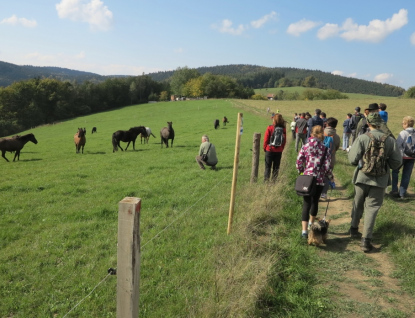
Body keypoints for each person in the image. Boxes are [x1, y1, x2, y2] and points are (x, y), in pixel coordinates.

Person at [348, 113, 402, 252]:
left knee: (357, 203)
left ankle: (354, 229)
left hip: (362, 177)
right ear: (380, 123)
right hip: (380, 180)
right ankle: (366, 241)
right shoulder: (389, 140)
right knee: (372, 209)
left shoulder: (363, 138)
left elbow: (352, 159)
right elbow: (397, 162)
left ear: (368, 123)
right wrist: (385, 163)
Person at [296, 125, 334, 239]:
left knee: (306, 204)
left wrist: (303, 171)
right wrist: (330, 178)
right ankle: (311, 226)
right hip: (319, 180)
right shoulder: (325, 149)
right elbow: (327, 167)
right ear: (322, 134)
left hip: (307, 179)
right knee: (315, 202)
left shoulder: (305, 146)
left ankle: (304, 232)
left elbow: (298, 162)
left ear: (311, 134)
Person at [391, 116, 415, 199]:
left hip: (402, 156)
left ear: (406, 124)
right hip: (412, 157)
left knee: (395, 171)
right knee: (406, 175)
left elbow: (398, 145)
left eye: (403, 123)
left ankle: (394, 190)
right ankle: (402, 193)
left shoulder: (403, 133)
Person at [321, 117, 340, 199]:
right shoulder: (337, 136)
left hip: (320, 157)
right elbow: (337, 147)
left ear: (327, 124)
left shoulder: (321, 133)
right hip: (331, 158)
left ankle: (317, 192)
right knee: (327, 175)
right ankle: (324, 193)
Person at [263, 113, 287, 182]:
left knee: (268, 167)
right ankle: (274, 182)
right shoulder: (283, 129)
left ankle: (266, 182)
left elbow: (266, 139)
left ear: (274, 120)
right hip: (279, 150)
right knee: (276, 168)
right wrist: (281, 148)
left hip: (270, 149)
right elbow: (284, 141)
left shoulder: (270, 127)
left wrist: (265, 148)